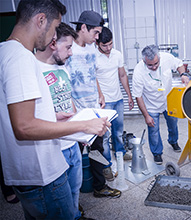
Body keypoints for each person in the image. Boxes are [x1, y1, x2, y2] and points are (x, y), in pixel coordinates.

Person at [0, 1, 110, 219]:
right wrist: (85, 125)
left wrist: (53, 116)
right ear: (41, 20)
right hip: (43, 174)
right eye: (54, 27)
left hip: (27, 173)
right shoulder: (21, 57)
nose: (53, 36)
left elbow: (18, 114)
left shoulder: (6, 51)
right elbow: (24, 127)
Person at [66, 10, 121, 198]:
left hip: (93, 109)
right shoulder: (67, 47)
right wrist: (72, 110)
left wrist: (100, 93)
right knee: (73, 158)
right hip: (76, 115)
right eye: (95, 33)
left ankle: (100, 186)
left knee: (97, 149)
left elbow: (92, 74)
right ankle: (72, 200)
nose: (97, 37)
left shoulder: (91, 48)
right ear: (83, 28)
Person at [35, 22, 86, 220]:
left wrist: (80, 129)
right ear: (53, 44)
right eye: (69, 47)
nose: (71, 53)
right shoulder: (33, 70)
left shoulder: (61, 67)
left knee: (74, 191)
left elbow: (68, 98)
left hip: (71, 143)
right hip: (53, 148)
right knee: (57, 204)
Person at [132, 45, 190, 165]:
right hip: (151, 104)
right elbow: (138, 96)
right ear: (144, 61)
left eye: (156, 63)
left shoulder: (167, 58)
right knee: (153, 130)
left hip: (168, 100)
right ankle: (157, 153)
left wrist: (183, 75)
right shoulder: (138, 71)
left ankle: (173, 141)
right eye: (150, 65)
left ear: (159, 57)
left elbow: (179, 64)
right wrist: (146, 116)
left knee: (173, 123)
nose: (153, 67)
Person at [95, 27, 134, 180]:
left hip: (117, 99)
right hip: (104, 103)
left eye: (110, 44)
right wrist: (100, 95)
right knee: (105, 136)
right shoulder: (93, 57)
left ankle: (120, 153)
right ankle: (106, 166)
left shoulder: (117, 54)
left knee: (118, 131)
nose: (108, 48)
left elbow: (122, 75)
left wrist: (129, 96)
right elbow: (94, 79)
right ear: (97, 43)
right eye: (105, 45)